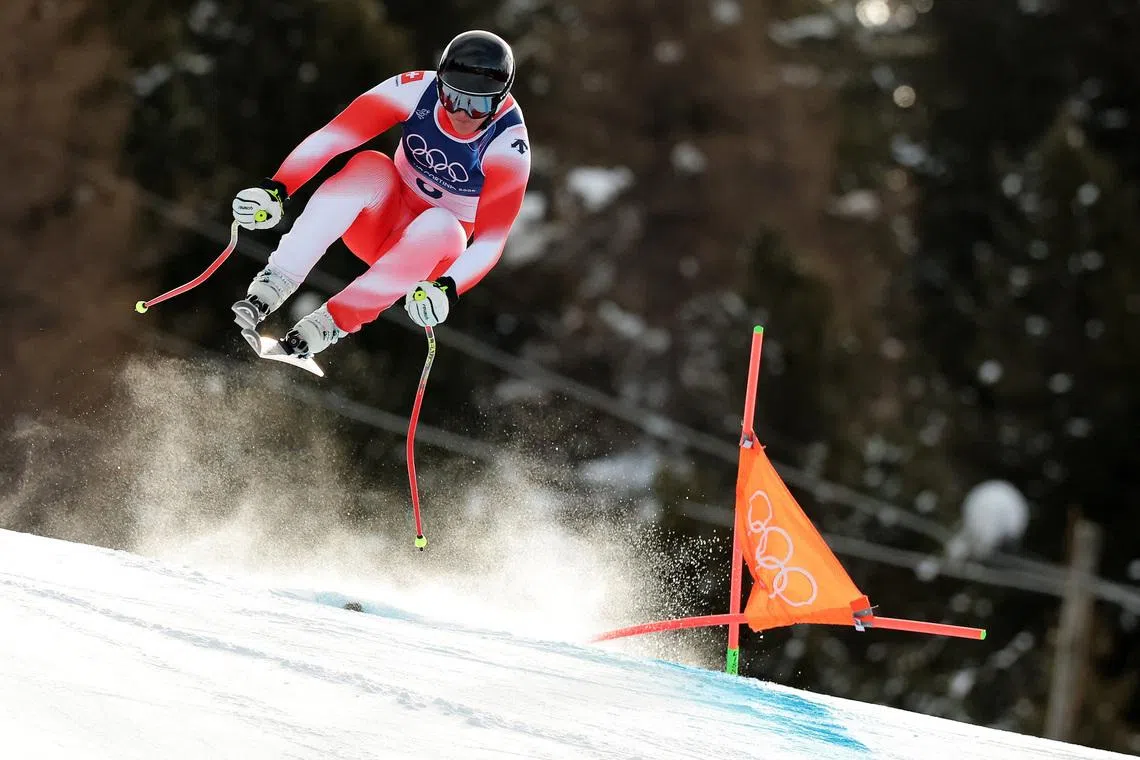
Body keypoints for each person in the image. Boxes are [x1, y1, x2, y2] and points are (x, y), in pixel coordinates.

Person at [230, 30, 531, 358]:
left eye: (478, 105)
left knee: (444, 226)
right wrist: (276, 187)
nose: (461, 113)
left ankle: (330, 324)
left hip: (427, 259)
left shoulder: (508, 146)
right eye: (453, 98)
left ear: (499, 101)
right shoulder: (416, 90)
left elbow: (491, 241)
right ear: (440, 84)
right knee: (369, 165)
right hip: (376, 222)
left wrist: (448, 288)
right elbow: (335, 136)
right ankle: (275, 281)